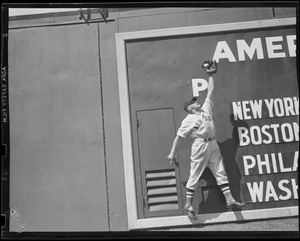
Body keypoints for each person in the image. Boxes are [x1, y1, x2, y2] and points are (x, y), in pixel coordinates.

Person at [167, 60, 245, 220]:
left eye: (195, 100)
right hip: (200, 146)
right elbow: (178, 137)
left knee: (220, 172)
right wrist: (172, 153)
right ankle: (188, 205)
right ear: (189, 108)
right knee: (194, 175)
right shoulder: (188, 119)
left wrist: (210, 75)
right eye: (193, 102)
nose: (196, 101)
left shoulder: (206, 109)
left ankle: (231, 201)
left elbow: (210, 91)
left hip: (213, 144)